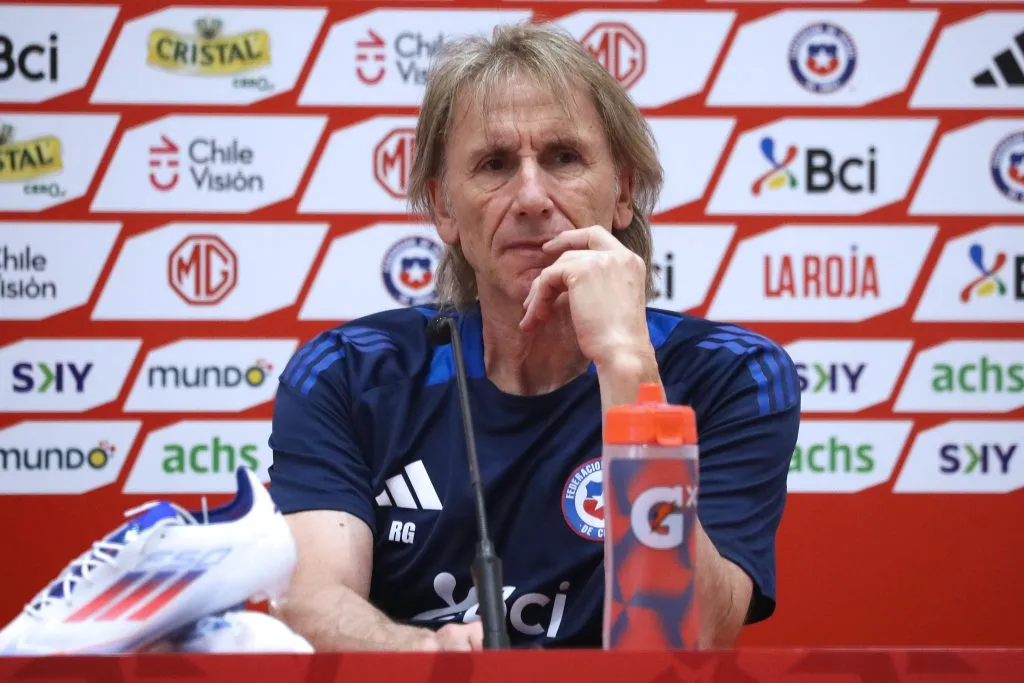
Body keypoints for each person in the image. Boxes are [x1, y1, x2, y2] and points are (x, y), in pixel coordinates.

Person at [266, 22, 800, 652]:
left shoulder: (731, 375)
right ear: (442, 208)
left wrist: (627, 366)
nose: (530, 197)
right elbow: (309, 602)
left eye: (563, 158)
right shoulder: (350, 374)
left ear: (623, 191)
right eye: (494, 165)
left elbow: (690, 636)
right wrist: (421, 654)